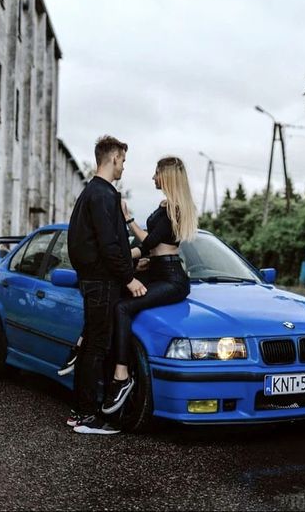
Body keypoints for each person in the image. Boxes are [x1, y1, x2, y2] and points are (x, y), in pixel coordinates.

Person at [101, 156, 198, 415]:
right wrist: (130, 224)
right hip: (157, 270)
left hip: (171, 278)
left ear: (167, 176)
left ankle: (122, 376)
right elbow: (150, 245)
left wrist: (119, 254)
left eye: (156, 173)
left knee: (123, 308)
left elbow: (146, 244)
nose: (153, 177)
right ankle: (87, 348)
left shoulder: (173, 208)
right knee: (113, 294)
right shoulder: (166, 205)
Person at [66, 135, 147, 434]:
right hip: (101, 283)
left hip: (93, 280)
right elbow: (109, 244)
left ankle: (79, 413)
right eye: (123, 160)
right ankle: (86, 417)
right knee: (97, 346)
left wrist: (132, 260)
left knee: (92, 345)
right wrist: (130, 277)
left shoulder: (90, 193)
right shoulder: (104, 195)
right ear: (112, 158)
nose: (124, 166)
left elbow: (88, 244)